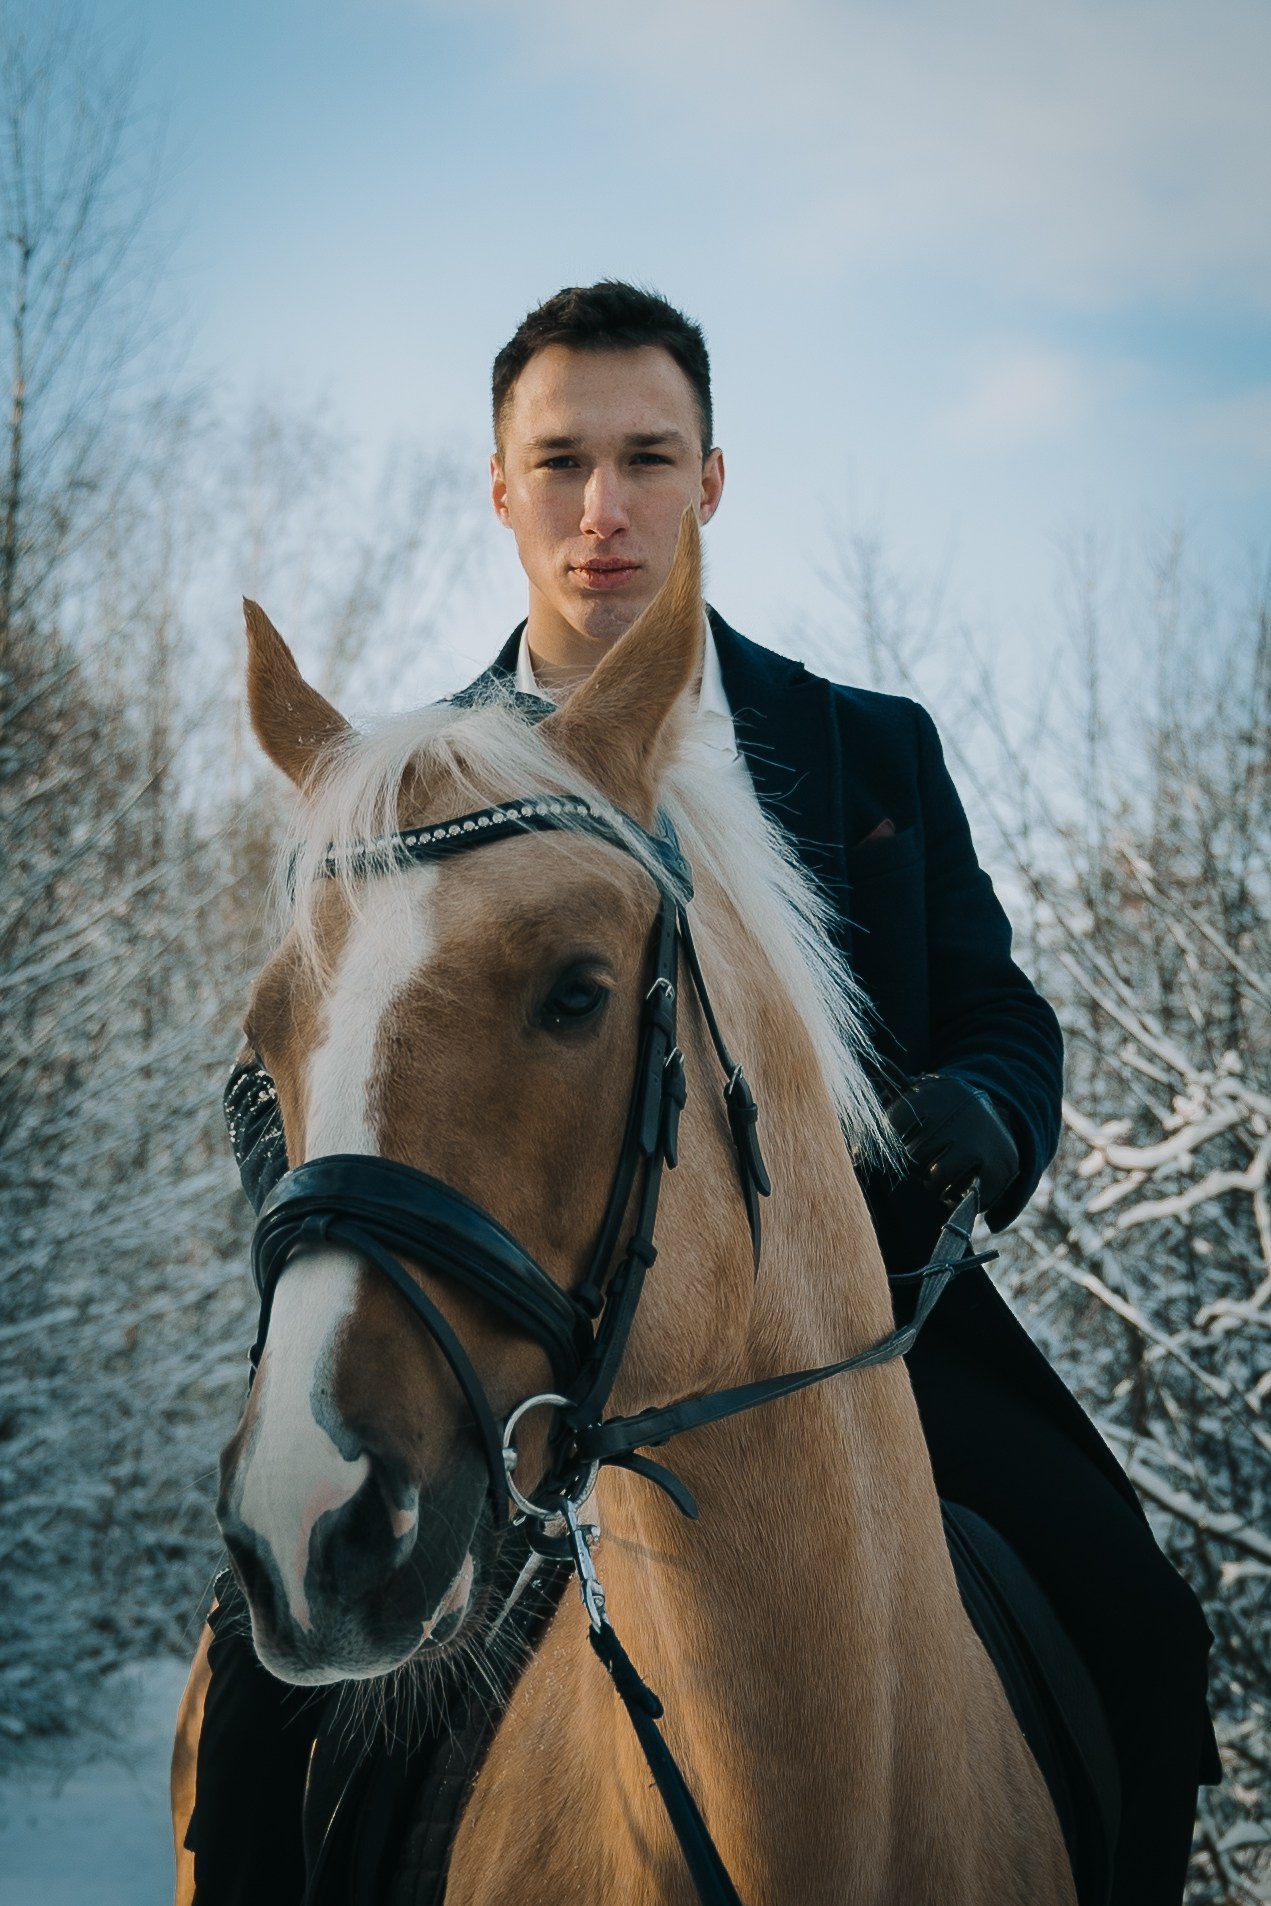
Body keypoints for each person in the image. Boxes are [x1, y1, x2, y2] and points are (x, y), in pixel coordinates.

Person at [189, 282, 1218, 1906]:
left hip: (874, 1323)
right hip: (517, 1347)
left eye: (649, 457)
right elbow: (298, 1057)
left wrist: (977, 1121)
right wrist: (323, 1204)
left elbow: (1005, 1010)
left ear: (712, 480)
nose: (605, 510)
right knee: (269, 1702)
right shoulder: (415, 785)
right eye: (563, 460)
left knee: (1146, 1627)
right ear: (502, 484)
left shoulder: (870, 747)